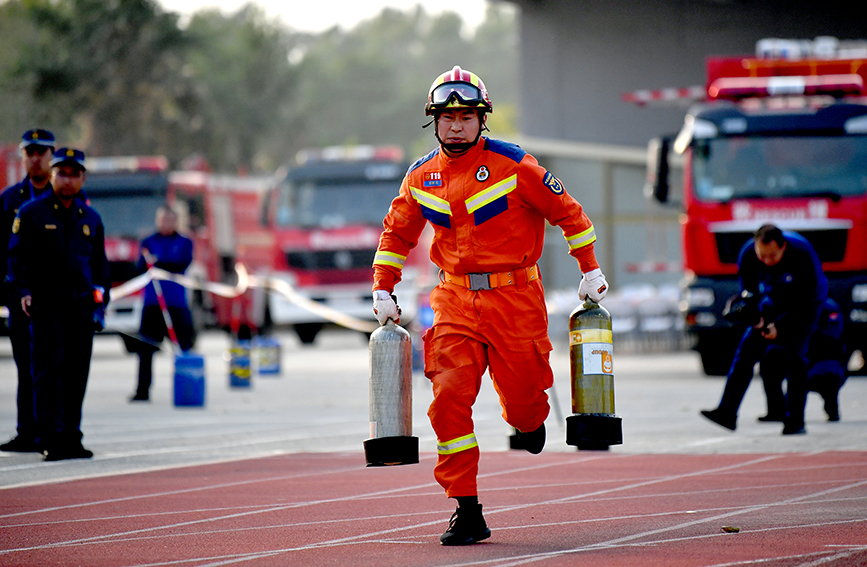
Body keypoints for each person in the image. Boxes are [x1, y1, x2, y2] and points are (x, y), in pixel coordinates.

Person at [371, 66, 609, 545]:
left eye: (466, 116)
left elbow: (570, 214)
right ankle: (467, 507)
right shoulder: (420, 176)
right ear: (433, 122)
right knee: (449, 399)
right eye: (446, 117)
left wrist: (590, 269)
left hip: (515, 298)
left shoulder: (516, 165)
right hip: (453, 298)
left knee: (523, 409)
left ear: (483, 119)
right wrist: (383, 286)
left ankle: (530, 420)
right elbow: (396, 234)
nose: (456, 125)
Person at [6, 147, 110, 461]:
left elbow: (100, 269)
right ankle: (49, 437)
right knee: (47, 372)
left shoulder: (90, 218)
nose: (67, 179)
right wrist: (23, 290)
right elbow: (16, 259)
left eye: (74, 173)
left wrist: (100, 306)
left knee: (77, 373)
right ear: (52, 174)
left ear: (82, 178)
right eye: (61, 172)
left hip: (79, 307)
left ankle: (72, 437)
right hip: (46, 306)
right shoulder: (31, 212)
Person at [701, 224, 827, 436]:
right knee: (746, 351)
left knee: (795, 357)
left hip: (806, 303)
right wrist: (755, 320)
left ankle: (795, 421)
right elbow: (750, 295)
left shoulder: (801, 253)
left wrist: (779, 327)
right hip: (774, 297)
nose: (767, 261)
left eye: (772, 256)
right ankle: (727, 412)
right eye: (762, 256)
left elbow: (804, 300)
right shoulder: (749, 254)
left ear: (783, 246)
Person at [0, 129, 56, 453]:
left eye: (42, 152)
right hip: (19, 295)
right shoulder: (8, 199)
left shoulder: (64, 198)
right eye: (30, 152)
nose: (35, 158)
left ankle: (52, 430)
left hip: (54, 297)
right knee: (25, 363)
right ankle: (26, 431)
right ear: (22, 156)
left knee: (53, 364)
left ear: (51, 156)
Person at [131, 205, 195, 401]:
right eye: (162, 219)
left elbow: (180, 264)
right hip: (152, 302)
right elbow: (140, 266)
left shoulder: (184, 242)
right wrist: (153, 263)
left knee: (184, 347)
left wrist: (157, 262)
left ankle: (188, 387)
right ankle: (143, 390)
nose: (166, 223)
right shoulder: (148, 241)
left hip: (176, 302)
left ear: (175, 221)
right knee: (146, 347)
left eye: (169, 219)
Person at [759, 297, 848, 422]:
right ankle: (777, 409)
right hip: (799, 355)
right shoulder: (782, 304)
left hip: (822, 359)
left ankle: (831, 405)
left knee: (827, 374)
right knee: (770, 359)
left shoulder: (827, 306)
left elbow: (831, 337)